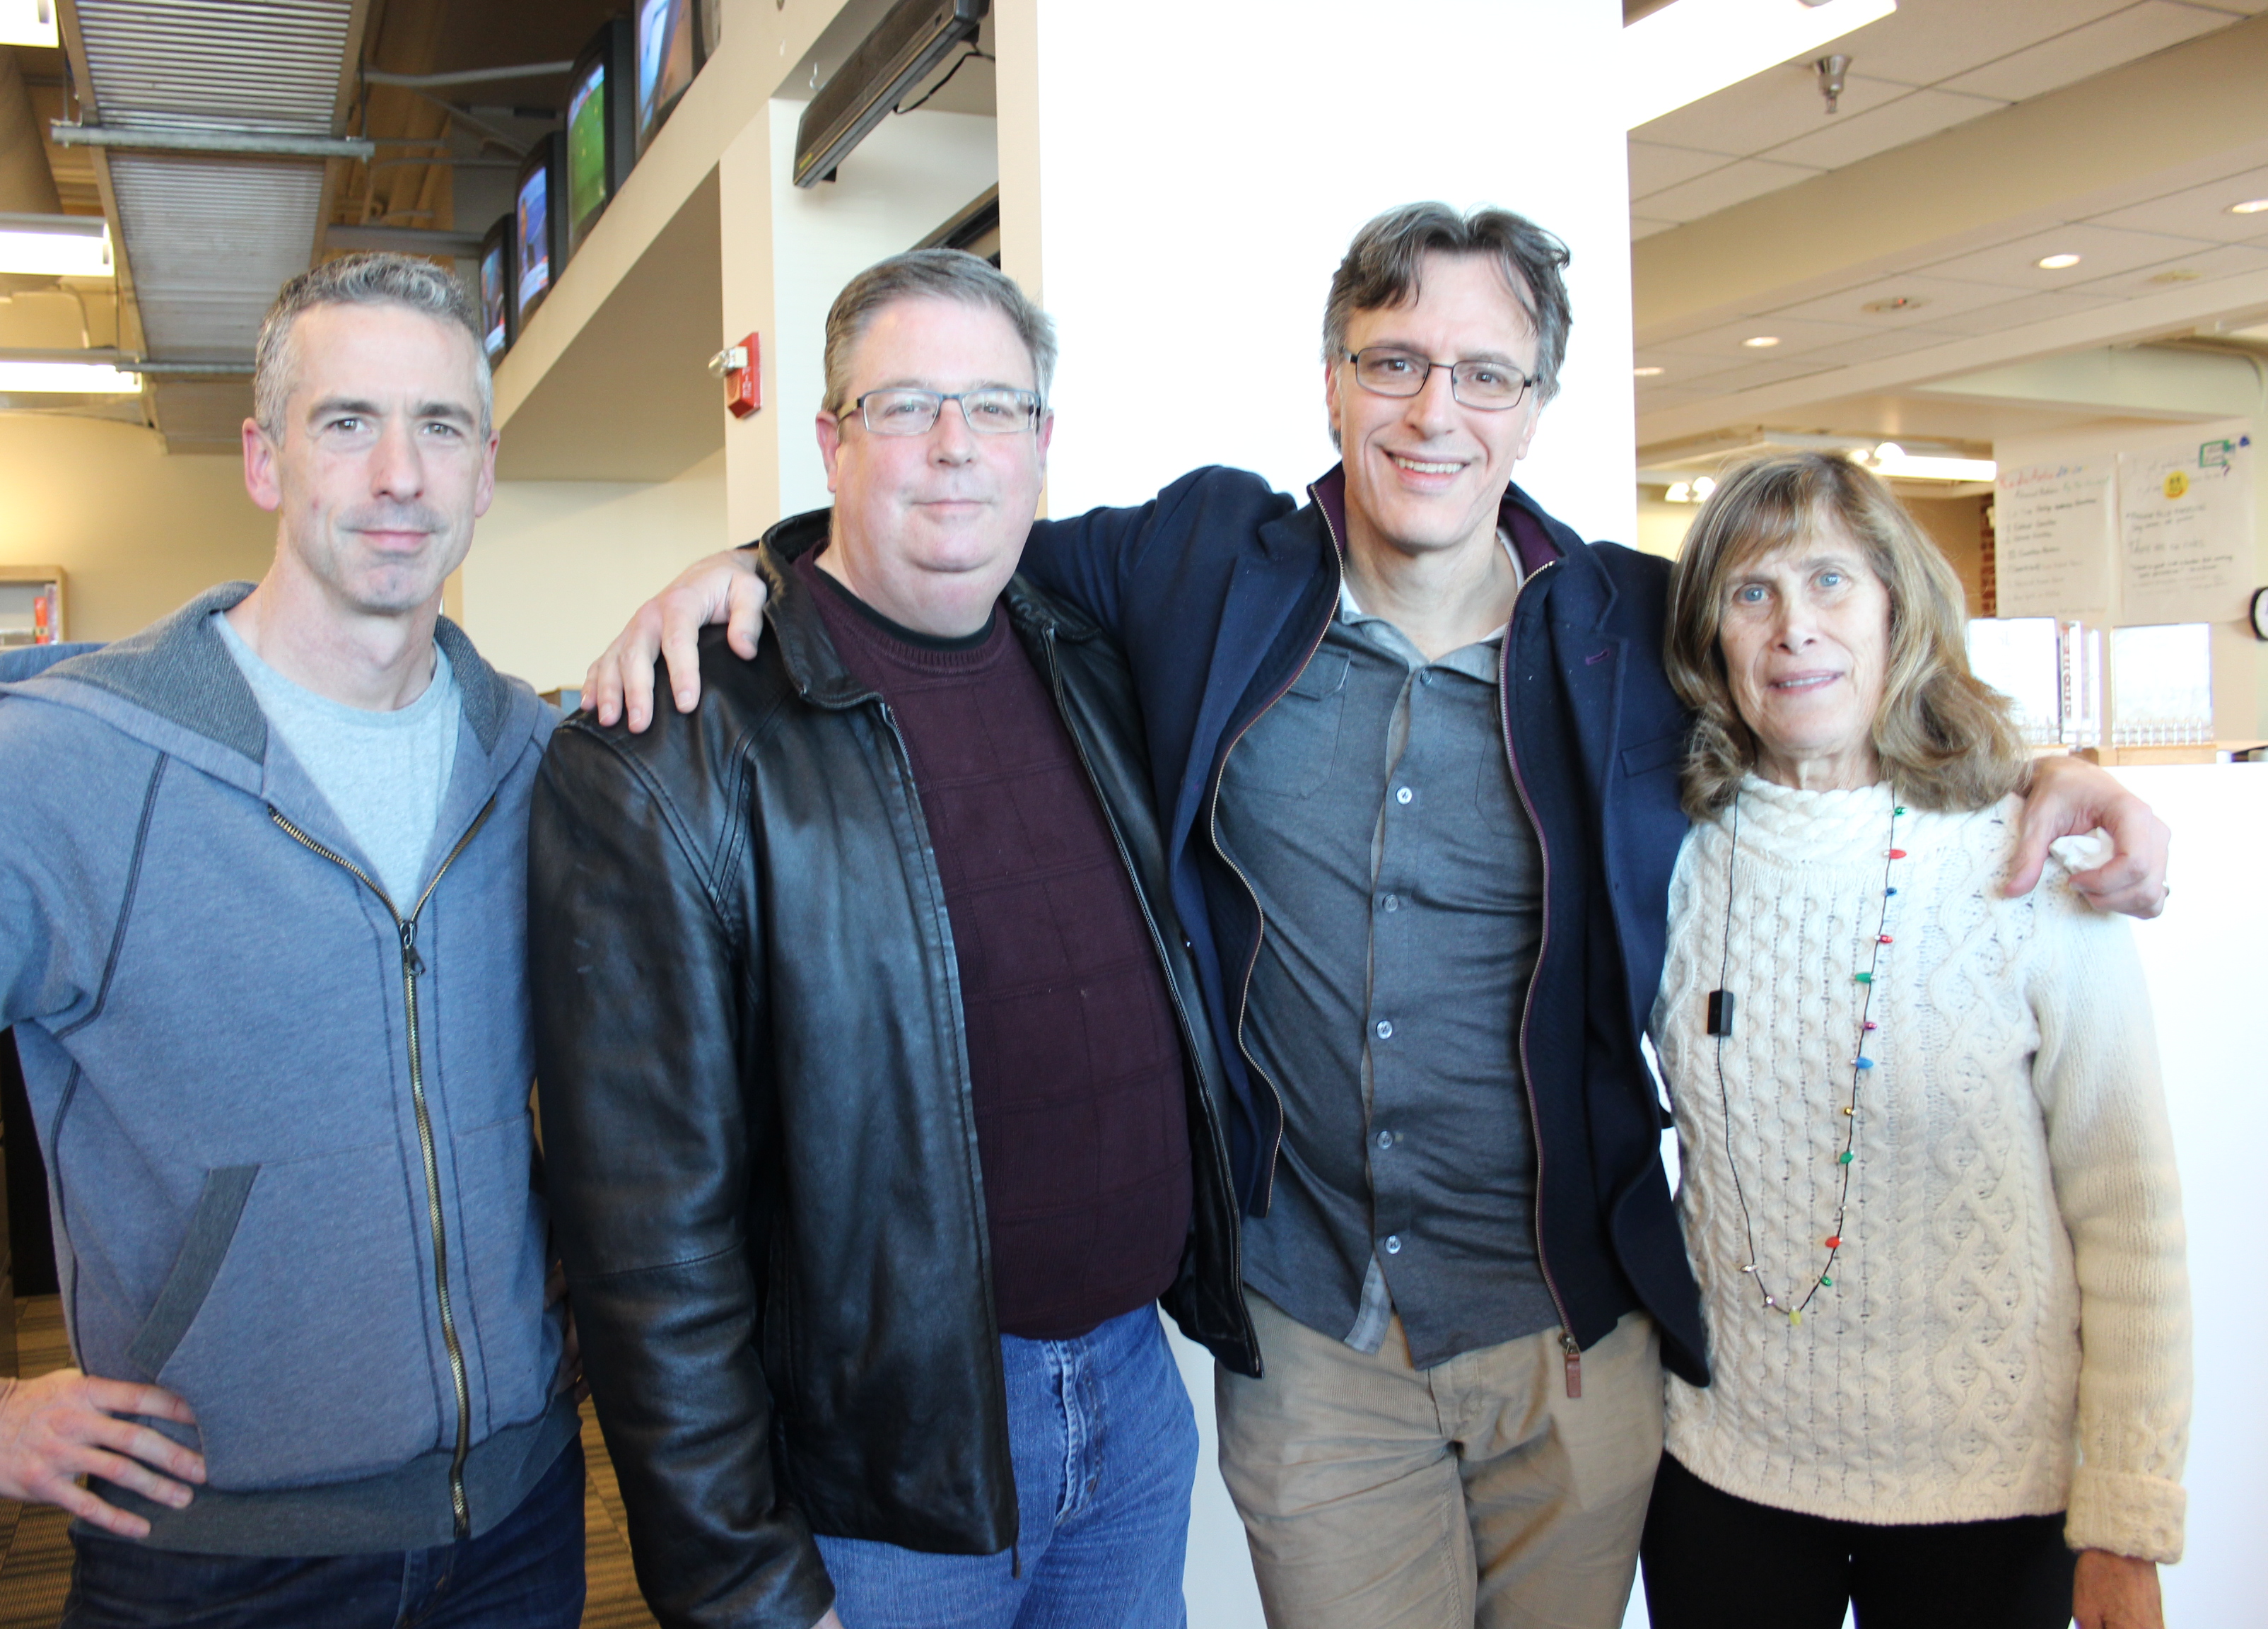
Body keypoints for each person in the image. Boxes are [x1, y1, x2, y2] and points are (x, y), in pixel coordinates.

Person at [583, 204, 2171, 1628]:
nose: (1435, 412)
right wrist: (744, 575)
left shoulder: (1627, 626)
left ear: (1537, 404)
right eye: (1393, 362)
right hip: (1318, 1348)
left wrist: (2046, 773)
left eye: (1486, 374)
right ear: (1332, 382)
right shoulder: (1201, 568)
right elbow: (933, 543)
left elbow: (1823, 684)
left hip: (1570, 1342)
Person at [0, 255, 583, 1628]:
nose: (399, 474)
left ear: (484, 473)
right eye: (347, 422)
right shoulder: (69, 773)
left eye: (443, 427)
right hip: (214, 1564)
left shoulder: (539, 762)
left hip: (522, 1528)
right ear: (263, 458)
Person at [528, 249, 1251, 1629]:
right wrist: (740, 1580)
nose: (954, 449)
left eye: (995, 408)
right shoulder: (673, 746)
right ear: (829, 440)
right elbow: (645, 1245)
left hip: (1134, 1405)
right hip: (874, 1482)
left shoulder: (1091, 656)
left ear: (1045, 441)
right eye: (904, 405)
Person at [1638, 450, 2189, 1629]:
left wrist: (2127, 1519)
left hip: (1992, 1494)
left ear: (1899, 610)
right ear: (1710, 640)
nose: (1795, 630)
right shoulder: (1671, 862)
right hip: (1726, 1469)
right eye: (1752, 593)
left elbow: (2130, 1213)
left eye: (1831, 582)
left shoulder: (2030, 864)